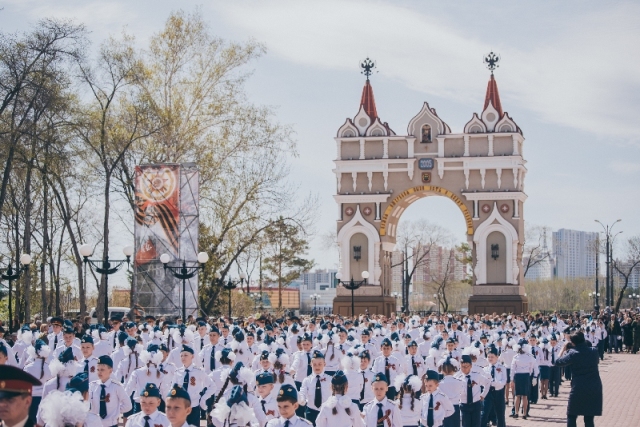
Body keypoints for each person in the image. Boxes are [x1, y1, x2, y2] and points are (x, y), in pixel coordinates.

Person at [555, 331, 602, 427]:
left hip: (579, 387)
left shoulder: (573, 353)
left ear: (573, 342)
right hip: (594, 386)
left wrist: (563, 349)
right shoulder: (594, 351)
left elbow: (557, 362)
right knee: (589, 418)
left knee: (571, 415)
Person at [88, 355, 133, 426]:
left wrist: (116, 411)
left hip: (111, 424)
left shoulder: (116, 387)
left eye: (102, 370)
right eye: (98, 369)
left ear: (110, 370)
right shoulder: (92, 386)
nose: (99, 372)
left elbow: (128, 405)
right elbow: (88, 403)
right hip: (96, 424)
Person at [455, 354, 490, 427]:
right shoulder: (457, 377)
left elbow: (487, 383)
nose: (464, 368)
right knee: (465, 424)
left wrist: (483, 395)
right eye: (462, 366)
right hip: (464, 405)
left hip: (475, 405)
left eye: (466, 366)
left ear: (471, 366)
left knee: (476, 424)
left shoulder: (476, 376)